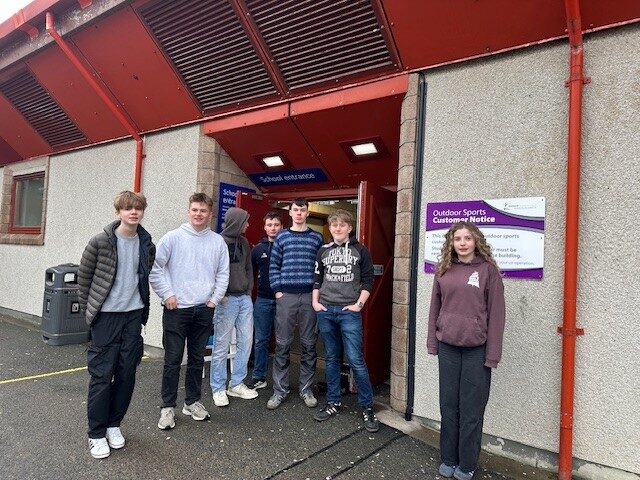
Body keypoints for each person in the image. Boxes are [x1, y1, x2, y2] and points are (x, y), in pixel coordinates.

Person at [78, 191, 155, 459]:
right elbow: (84, 279)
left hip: (133, 316)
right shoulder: (100, 241)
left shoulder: (146, 243)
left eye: (138, 208)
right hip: (106, 317)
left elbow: (144, 275)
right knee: (102, 375)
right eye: (127, 208)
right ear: (118, 212)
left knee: (126, 373)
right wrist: (91, 313)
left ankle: (113, 425)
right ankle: (96, 433)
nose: (133, 212)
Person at [427, 221, 506, 480]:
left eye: (467, 238)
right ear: (451, 243)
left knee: (471, 410)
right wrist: (432, 342)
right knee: (448, 406)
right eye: (457, 238)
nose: (462, 243)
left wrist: (492, 355)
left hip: (476, 351)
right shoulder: (443, 269)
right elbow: (434, 309)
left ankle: (467, 463)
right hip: (448, 348)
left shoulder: (488, 271)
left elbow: (497, 315)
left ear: (476, 242)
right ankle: (448, 458)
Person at [150, 193, 229, 430]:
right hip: (176, 309)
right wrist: (167, 294)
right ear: (188, 211)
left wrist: (214, 300)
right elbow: (155, 268)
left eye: (203, 211)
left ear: (210, 214)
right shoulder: (172, 238)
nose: (198, 214)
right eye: (195, 209)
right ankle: (167, 408)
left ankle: (192, 402)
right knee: (173, 360)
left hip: (204, 309)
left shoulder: (217, 242)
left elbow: (223, 273)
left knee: (196, 359)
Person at [311, 209, 379, 433]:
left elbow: (368, 280)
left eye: (342, 225)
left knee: (356, 359)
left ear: (350, 227)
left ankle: (367, 407)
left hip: (349, 311)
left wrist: (358, 305)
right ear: (330, 228)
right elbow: (317, 279)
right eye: (334, 225)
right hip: (326, 310)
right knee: (331, 358)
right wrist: (315, 303)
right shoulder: (323, 251)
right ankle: (333, 402)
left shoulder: (361, 251)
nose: (337, 228)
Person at [267, 198, 324, 410]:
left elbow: (321, 267)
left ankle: (306, 389)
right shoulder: (282, 236)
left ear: (307, 212)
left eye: (302, 210)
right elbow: (274, 265)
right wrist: (278, 291)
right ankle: (279, 390)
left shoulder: (317, 237)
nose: (299, 213)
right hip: (286, 297)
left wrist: (318, 292)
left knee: (309, 344)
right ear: (290, 213)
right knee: (282, 343)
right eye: (295, 210)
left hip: (309, 296)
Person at [209, 207, 258, 406]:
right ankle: (218, 388)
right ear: (237, 222)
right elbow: (211, 270)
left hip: (244, 298)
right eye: (245, 221)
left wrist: (248, 291)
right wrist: (219, 295)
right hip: (226, 300)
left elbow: (248, 268)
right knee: (221, 344)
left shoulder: (244, 242)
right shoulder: (217, 241)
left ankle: (236, 383)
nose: (248, 224)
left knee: (246, 342)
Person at [249, 211, 283, 389]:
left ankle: (281, 379)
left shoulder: (287, 247)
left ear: (282, 227)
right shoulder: (257, 249)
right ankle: (259, 376)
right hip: (262, 300)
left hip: (283, 300)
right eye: (269, 225)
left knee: (283, 341)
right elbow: (250, 274)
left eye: (276, 225)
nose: (273, 228)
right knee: (261, 340)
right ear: (265, 227)